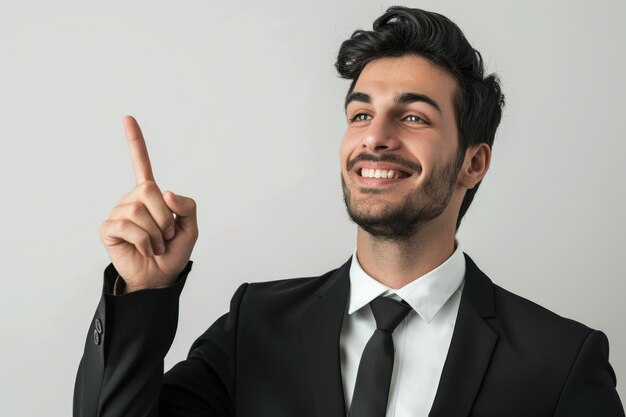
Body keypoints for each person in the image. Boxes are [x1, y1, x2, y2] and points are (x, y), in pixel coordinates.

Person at [73, 6, 624, 417]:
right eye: (360, 115)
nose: (375, 139)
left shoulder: (560, 362)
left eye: (413, 118)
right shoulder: (255, 325)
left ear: (473, 163)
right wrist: (143, 294)